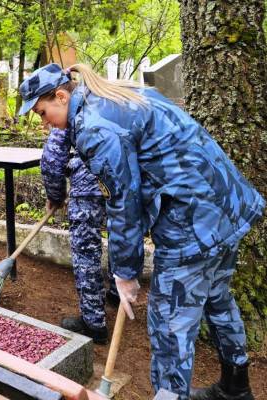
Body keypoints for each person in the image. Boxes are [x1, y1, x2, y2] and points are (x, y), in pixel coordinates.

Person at [18, 63, 264, 399]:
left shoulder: (94, 126)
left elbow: (123, 201)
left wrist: (125, 273)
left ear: (61, 96)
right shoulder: (113, 94)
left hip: (192, 222)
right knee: (218, 299)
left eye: (43, 113)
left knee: (167, 325)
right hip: (226, 205)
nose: (45, 124)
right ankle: (236, 388)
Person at [42, 129, 119, 345]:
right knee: (120, 237)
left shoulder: (73, 106)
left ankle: (93, 322)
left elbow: (52, 157)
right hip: (122, 180)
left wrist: (55, 195)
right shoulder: (117, 100)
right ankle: (117, 292)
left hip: (87, 187)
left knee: (86, 251)